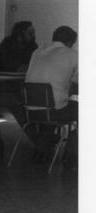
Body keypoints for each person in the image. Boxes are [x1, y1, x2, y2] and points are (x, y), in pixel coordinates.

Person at [25, 26, 78, 165]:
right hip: (54, 111)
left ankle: (42, 148)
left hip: (31, 111)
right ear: (71, 42)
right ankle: (72, 156)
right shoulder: (72, 54)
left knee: (55, 104)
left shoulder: (36, 52)